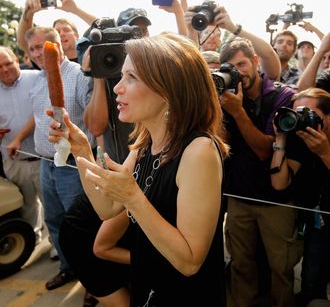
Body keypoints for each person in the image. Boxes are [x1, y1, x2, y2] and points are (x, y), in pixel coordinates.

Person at [49, 32, 229, 307]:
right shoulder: (144, 143)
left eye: (131, 78)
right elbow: (107, 209)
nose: (117, 88)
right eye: (121, 76)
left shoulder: (198, 152)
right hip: (149, 284)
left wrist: (134, 198)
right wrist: (81, 150)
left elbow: (190, 261)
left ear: (168, 89)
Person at [217, 36, 302, 306]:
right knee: (242, 266)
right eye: (231, 68)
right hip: (239, 197)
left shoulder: (283, 96)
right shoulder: (226, 98)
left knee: (281, 269)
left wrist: (238, 113)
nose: (238, 72)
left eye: (242, 64)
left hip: (276, 200)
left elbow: (267, 150)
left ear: (255, 62)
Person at [10, 26, 95, 291]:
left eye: (42, 46)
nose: (37, 53)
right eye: (32, 49)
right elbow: (37, 118)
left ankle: (94, 282)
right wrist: (17, 138)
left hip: (73, 163)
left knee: (80, 225)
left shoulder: (80, 76)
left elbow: (94, 120)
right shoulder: (37, 80)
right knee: (54, 220)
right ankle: (68, 268)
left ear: (57, 45)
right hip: (46, 162)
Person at [270, 87, 330, 306]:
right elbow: (279, 183)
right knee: (311, 282)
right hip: (316, 221)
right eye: (298, 114)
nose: (302, 120)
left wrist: (324, 152)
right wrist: (281, 139)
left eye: (309, 114)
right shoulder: (300, 138)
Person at [0, 46, 43, 244]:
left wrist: (19, 138)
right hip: (13, 160)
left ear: (17, 61)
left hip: (42, 157)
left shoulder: (36, 77)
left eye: (8, 63)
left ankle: (55, 246)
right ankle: (32, 238)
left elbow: (41, 110)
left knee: (51, 205)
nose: (5, 69)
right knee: (26, 205)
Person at [17, 0, 97, 64]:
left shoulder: (90, 56)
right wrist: (28, 13)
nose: (61, 34)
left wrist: (75, 10)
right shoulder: (46, 60)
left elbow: (105, 28)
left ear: (76, 36)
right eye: (57, 32)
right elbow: (25, 41)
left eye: (66, 30)